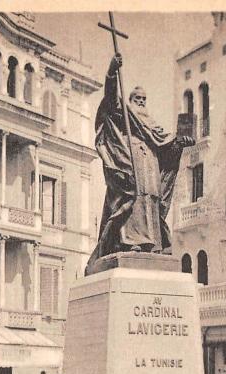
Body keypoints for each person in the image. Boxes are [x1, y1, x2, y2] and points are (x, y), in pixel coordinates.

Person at [85, 53, 194, 273]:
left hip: (151, 165)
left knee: (151, 200)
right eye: (137, 99)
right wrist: (111, 72)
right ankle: (129, 242)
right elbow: (111, 100)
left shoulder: (153, 127)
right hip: (131, 160)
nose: (141, 102)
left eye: (144, 99)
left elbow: (166, 148)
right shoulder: (123, 114)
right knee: (133, 198)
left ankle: (151, 244)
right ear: (130, 101)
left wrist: (179, 143)